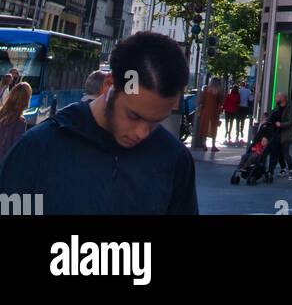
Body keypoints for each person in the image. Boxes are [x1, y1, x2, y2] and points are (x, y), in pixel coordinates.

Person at [0, 30, 197, 214]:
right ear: (110, 85)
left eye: (156, 122)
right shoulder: (40, 147)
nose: (142, 132)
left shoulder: (174, 159)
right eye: (133, 115)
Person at [0, 80, 33, 170]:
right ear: (26, 100)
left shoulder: (1, 113)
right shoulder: (20, 122)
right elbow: (16, 149)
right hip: (5, 166)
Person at [265, 92, 292, 180]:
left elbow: (290, 121)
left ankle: (291, 170)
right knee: (278, 153)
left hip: (285, 134)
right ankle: (282, 169)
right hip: (277, 133)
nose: (275, 98)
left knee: (285, 153)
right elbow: (272, 116)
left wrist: (281, 124)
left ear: (282, 98)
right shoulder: (277, 107)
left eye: (277, 97)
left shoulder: (289, 107)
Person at [198, 77, 223, 153]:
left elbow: (202, 100)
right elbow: (220, 102)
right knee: (213, 128)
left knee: (205, 128)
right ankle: (213, 145)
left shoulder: (206, 90)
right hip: (214, 112)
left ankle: (204, 145)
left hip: (205, 112)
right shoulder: (218, 92)